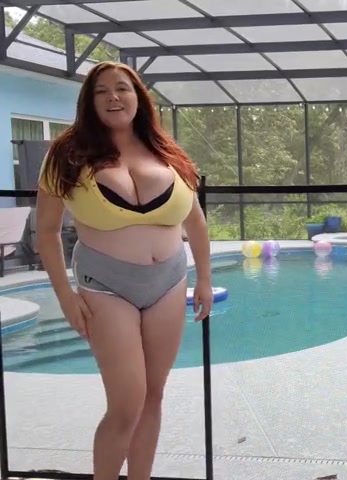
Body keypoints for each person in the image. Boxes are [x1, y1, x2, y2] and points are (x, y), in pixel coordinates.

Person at [35, 61, 213, 480]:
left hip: (169, 281)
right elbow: (46, 231)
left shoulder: (166, 151)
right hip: (105, 284)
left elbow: (195, 220)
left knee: (153, 397)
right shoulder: (67, 153)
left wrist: (205, 278)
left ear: (138, 98)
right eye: (102, 91)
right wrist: (66, 298)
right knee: (127, 402)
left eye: (123, 88)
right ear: (89, 101)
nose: (114, 97)